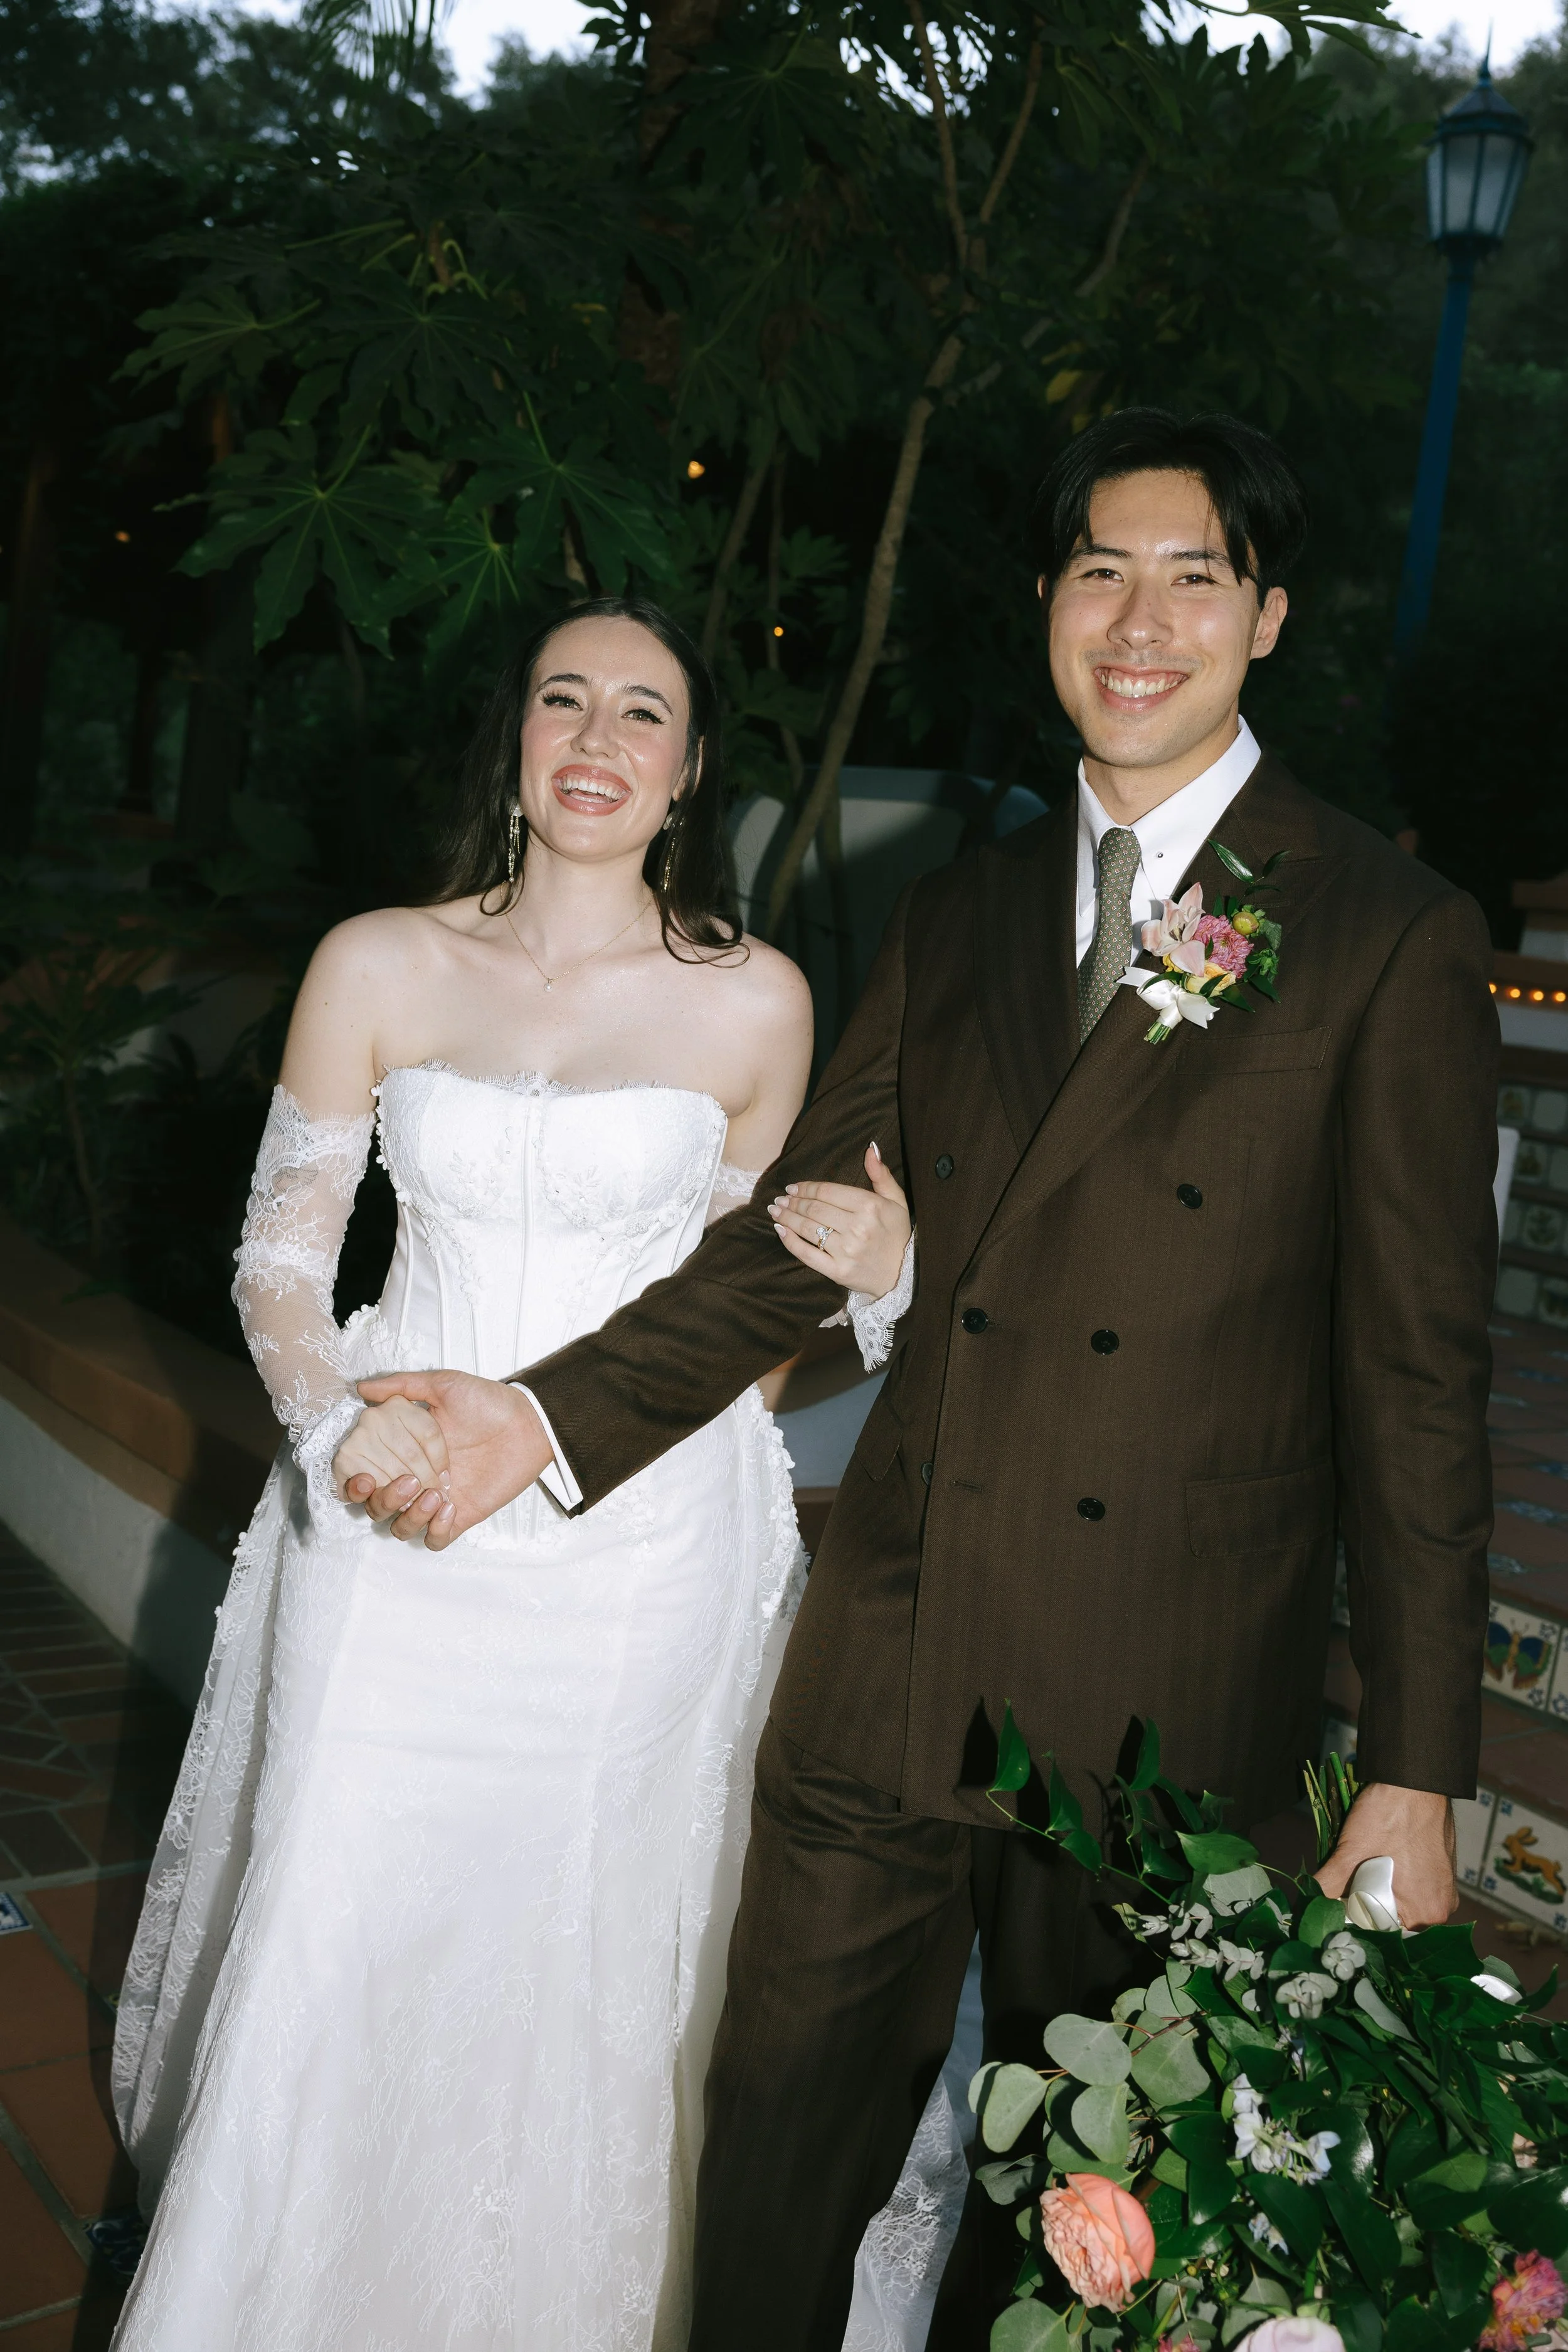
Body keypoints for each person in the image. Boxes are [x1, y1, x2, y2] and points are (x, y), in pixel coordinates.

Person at [349, 410, 1498, 2349]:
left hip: (1155, 1695)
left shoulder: (1385, 930)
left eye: (1190, 574)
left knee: (1081, 2221)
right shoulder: (962, 907)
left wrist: (1415, 1759)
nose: (1135, 620)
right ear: (1047, 604)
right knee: (773, 2159)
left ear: (1266, 616)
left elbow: (1416, 1376)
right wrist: (540, 1413)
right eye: (1094, 571)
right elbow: (786, 1233)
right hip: (888, 1650)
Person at [107, 597, 914, 2349]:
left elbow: (744, 1328)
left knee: (594, 1967)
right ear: (518, 737)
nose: (599, 739)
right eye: (567, 699)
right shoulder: (379, 962)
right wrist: (343, 1428)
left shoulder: (757, 999)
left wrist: (880, 1276)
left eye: (644, 711)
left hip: (646, 1560)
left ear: (691, 768)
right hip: (393, 1534)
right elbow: (276, 1260)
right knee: (352, 1927)